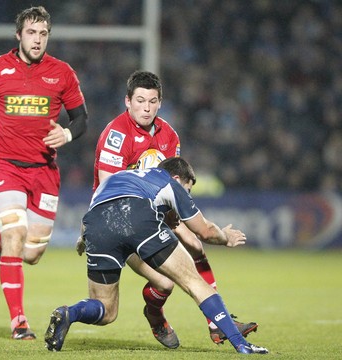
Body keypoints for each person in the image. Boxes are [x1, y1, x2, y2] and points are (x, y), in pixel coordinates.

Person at [90, 70, 257, 348]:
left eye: (152, 101)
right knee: (165, 284)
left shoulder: (169, 135)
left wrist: (183, 224)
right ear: (127, 101)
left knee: (196, 246)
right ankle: (155, 316)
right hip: (121, 220)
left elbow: (172, 186)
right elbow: (109, 188)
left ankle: (217, 323)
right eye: (140, 100)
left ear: (160, 102)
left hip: (155, 213)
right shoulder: (116, 136)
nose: (146, 107)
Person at [44, 157, 268, 355]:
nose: (185, 195)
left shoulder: (119, 177)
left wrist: (84, 238)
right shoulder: (169, 182)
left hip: (96, 225)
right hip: (136, 215)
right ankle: (241, 345)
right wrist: (225, 237)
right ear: (178, 178)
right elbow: (205, 230)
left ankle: (69, 313)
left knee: (106, 309)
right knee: (193, 281)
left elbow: (91, 214)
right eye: (187, 190)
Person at [0, 6, 88, 340]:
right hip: (4, 165)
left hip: (44, 172)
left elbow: (82, 119)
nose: (37, 40)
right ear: (18, 35)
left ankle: (1, 233)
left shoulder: (62, 73)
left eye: (43, 34)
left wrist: (68, 134)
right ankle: (19, 321)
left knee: (31, 253)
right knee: (17, 235)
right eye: (31, 33)